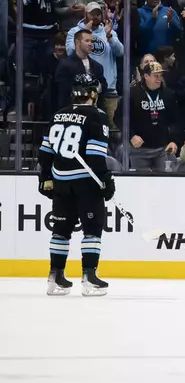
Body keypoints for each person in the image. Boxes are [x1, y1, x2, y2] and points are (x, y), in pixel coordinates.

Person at [37, 74, 115, 297]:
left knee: (61, 230)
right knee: (92, 229)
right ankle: (89, 278)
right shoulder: (97, 116)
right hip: (85, 183)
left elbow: (45, 152)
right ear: (92, 94)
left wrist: (44, 177)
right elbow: (96, 156)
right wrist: (106, 180)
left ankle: (55, 277)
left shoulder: (58, 114)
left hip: (60, 180)